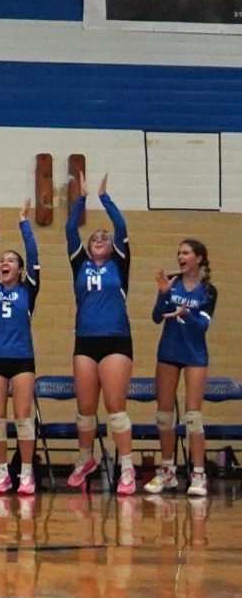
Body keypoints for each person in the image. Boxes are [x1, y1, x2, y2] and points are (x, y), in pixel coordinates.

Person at [66, 173, 136, 495]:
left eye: (104, 238)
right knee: (85, 409)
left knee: (115, 407)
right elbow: (69, 230)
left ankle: (126, 468)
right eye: (95, 237)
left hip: (115, 341)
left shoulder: (119, 265)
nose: (99, 239)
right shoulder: (80, 263)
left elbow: (120, 227)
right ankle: (85, 460)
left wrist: (104, 197)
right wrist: (80, 198)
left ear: (112, 246)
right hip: (85, 341)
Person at [146, 240, 216, 497]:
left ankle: (198, 474)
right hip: (168, 352)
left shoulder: (208, 291)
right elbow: (156, 317)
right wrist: (164, 293)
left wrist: (186, 313)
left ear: (198, 258)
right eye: (178, 252)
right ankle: (167, 471)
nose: (180, 256)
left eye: (185, 253)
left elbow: (202, 327)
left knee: (193, 417)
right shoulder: (172, 283)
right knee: (164, 416)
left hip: (194, 355)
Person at [0, 199, 40, 496]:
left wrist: (24, 223)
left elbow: (34, 254)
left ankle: (26, 474)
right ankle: (1, 473)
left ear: (20, 269)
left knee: (24, 418)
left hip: (22, 359)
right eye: (2, 260)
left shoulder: (28, 290)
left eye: (11, 261)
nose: (4, 263)